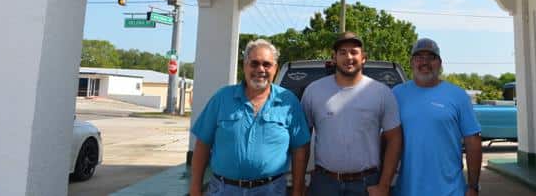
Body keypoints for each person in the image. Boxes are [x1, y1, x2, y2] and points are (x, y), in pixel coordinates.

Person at [190, 39, 310, 196]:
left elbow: (300, 149)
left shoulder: (289, 101)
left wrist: (297, 190)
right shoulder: (222, 98)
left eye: (267, 64)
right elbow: (202, 145)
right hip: (224, 189)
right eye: (254, 63)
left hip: (271, 190)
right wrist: (195, 188)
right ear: (244, 66)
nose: (260, 69)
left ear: (275, 68)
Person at [301, 31, 402, 196]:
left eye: (354, 52)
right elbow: (302, 141)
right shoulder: (313, 91)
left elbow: (395, 138)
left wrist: (384, 185)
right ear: (334, 58)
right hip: (324, 183)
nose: (348, 57)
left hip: (366, 184)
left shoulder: (381, 92)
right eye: (342, 52)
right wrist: (299, 185)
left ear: (364, 57)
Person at [392, 38, 482, 196]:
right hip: (407, 189)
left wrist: (473, 186)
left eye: (431, 58)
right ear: (412, 62)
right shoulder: (397, 94)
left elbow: (472, 141)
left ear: (440, 63)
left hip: (451, 190)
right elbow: (386, 139)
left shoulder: (458, 95)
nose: (425, 62)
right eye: (419, 57)